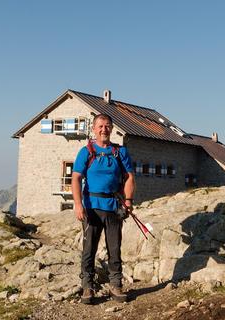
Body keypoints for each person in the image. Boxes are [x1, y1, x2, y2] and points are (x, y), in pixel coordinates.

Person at [72, 113, 135, 305]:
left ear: (112, 128)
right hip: (91, 207)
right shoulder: (86, 151)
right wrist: (77, 204)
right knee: (89, 249)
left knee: (114, 248)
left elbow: (130, 177)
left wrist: (129, 201)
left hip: (113, 207)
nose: (104, 129)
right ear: (94, 129)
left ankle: (116, 285)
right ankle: (87, 286)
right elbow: (75, 178)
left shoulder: (120, 152)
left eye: (107, 126)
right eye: (100, 126)